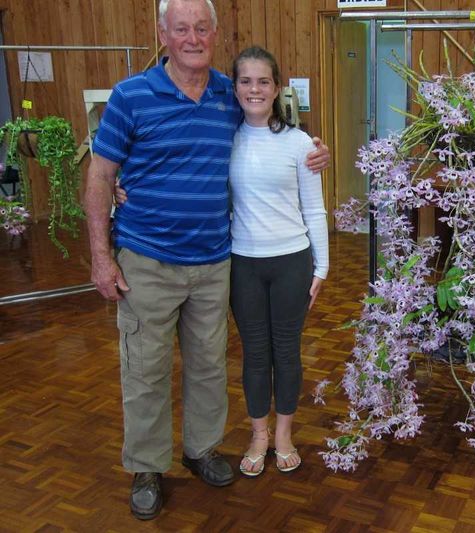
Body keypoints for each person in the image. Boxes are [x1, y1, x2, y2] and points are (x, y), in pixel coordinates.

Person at [84, 0, 329, 521]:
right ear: (162, 33)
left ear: (215, 34)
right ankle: (147, 468)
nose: (192, 37)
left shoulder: (228, 92)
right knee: (146, 370)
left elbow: (272, 135)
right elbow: (101, 176)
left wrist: (314, 149)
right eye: (181, 29)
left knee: (207, 367)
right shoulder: (131, 96)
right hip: (147, 259)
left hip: (216, 260)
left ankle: (201, 451)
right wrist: (101, 258)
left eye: (201, 28)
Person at [228, 46, 328, 477]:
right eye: (246, 80)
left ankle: (284, 433)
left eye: (263, 81)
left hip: (291, 262)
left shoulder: (299, 142)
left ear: (277, 88)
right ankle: (259, 434)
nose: (254, 89)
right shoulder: (224, 138)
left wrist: (321, 267)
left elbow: (315, 209)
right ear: (235, 87)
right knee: (254, 353)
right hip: (242, 265)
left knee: (286, 352)